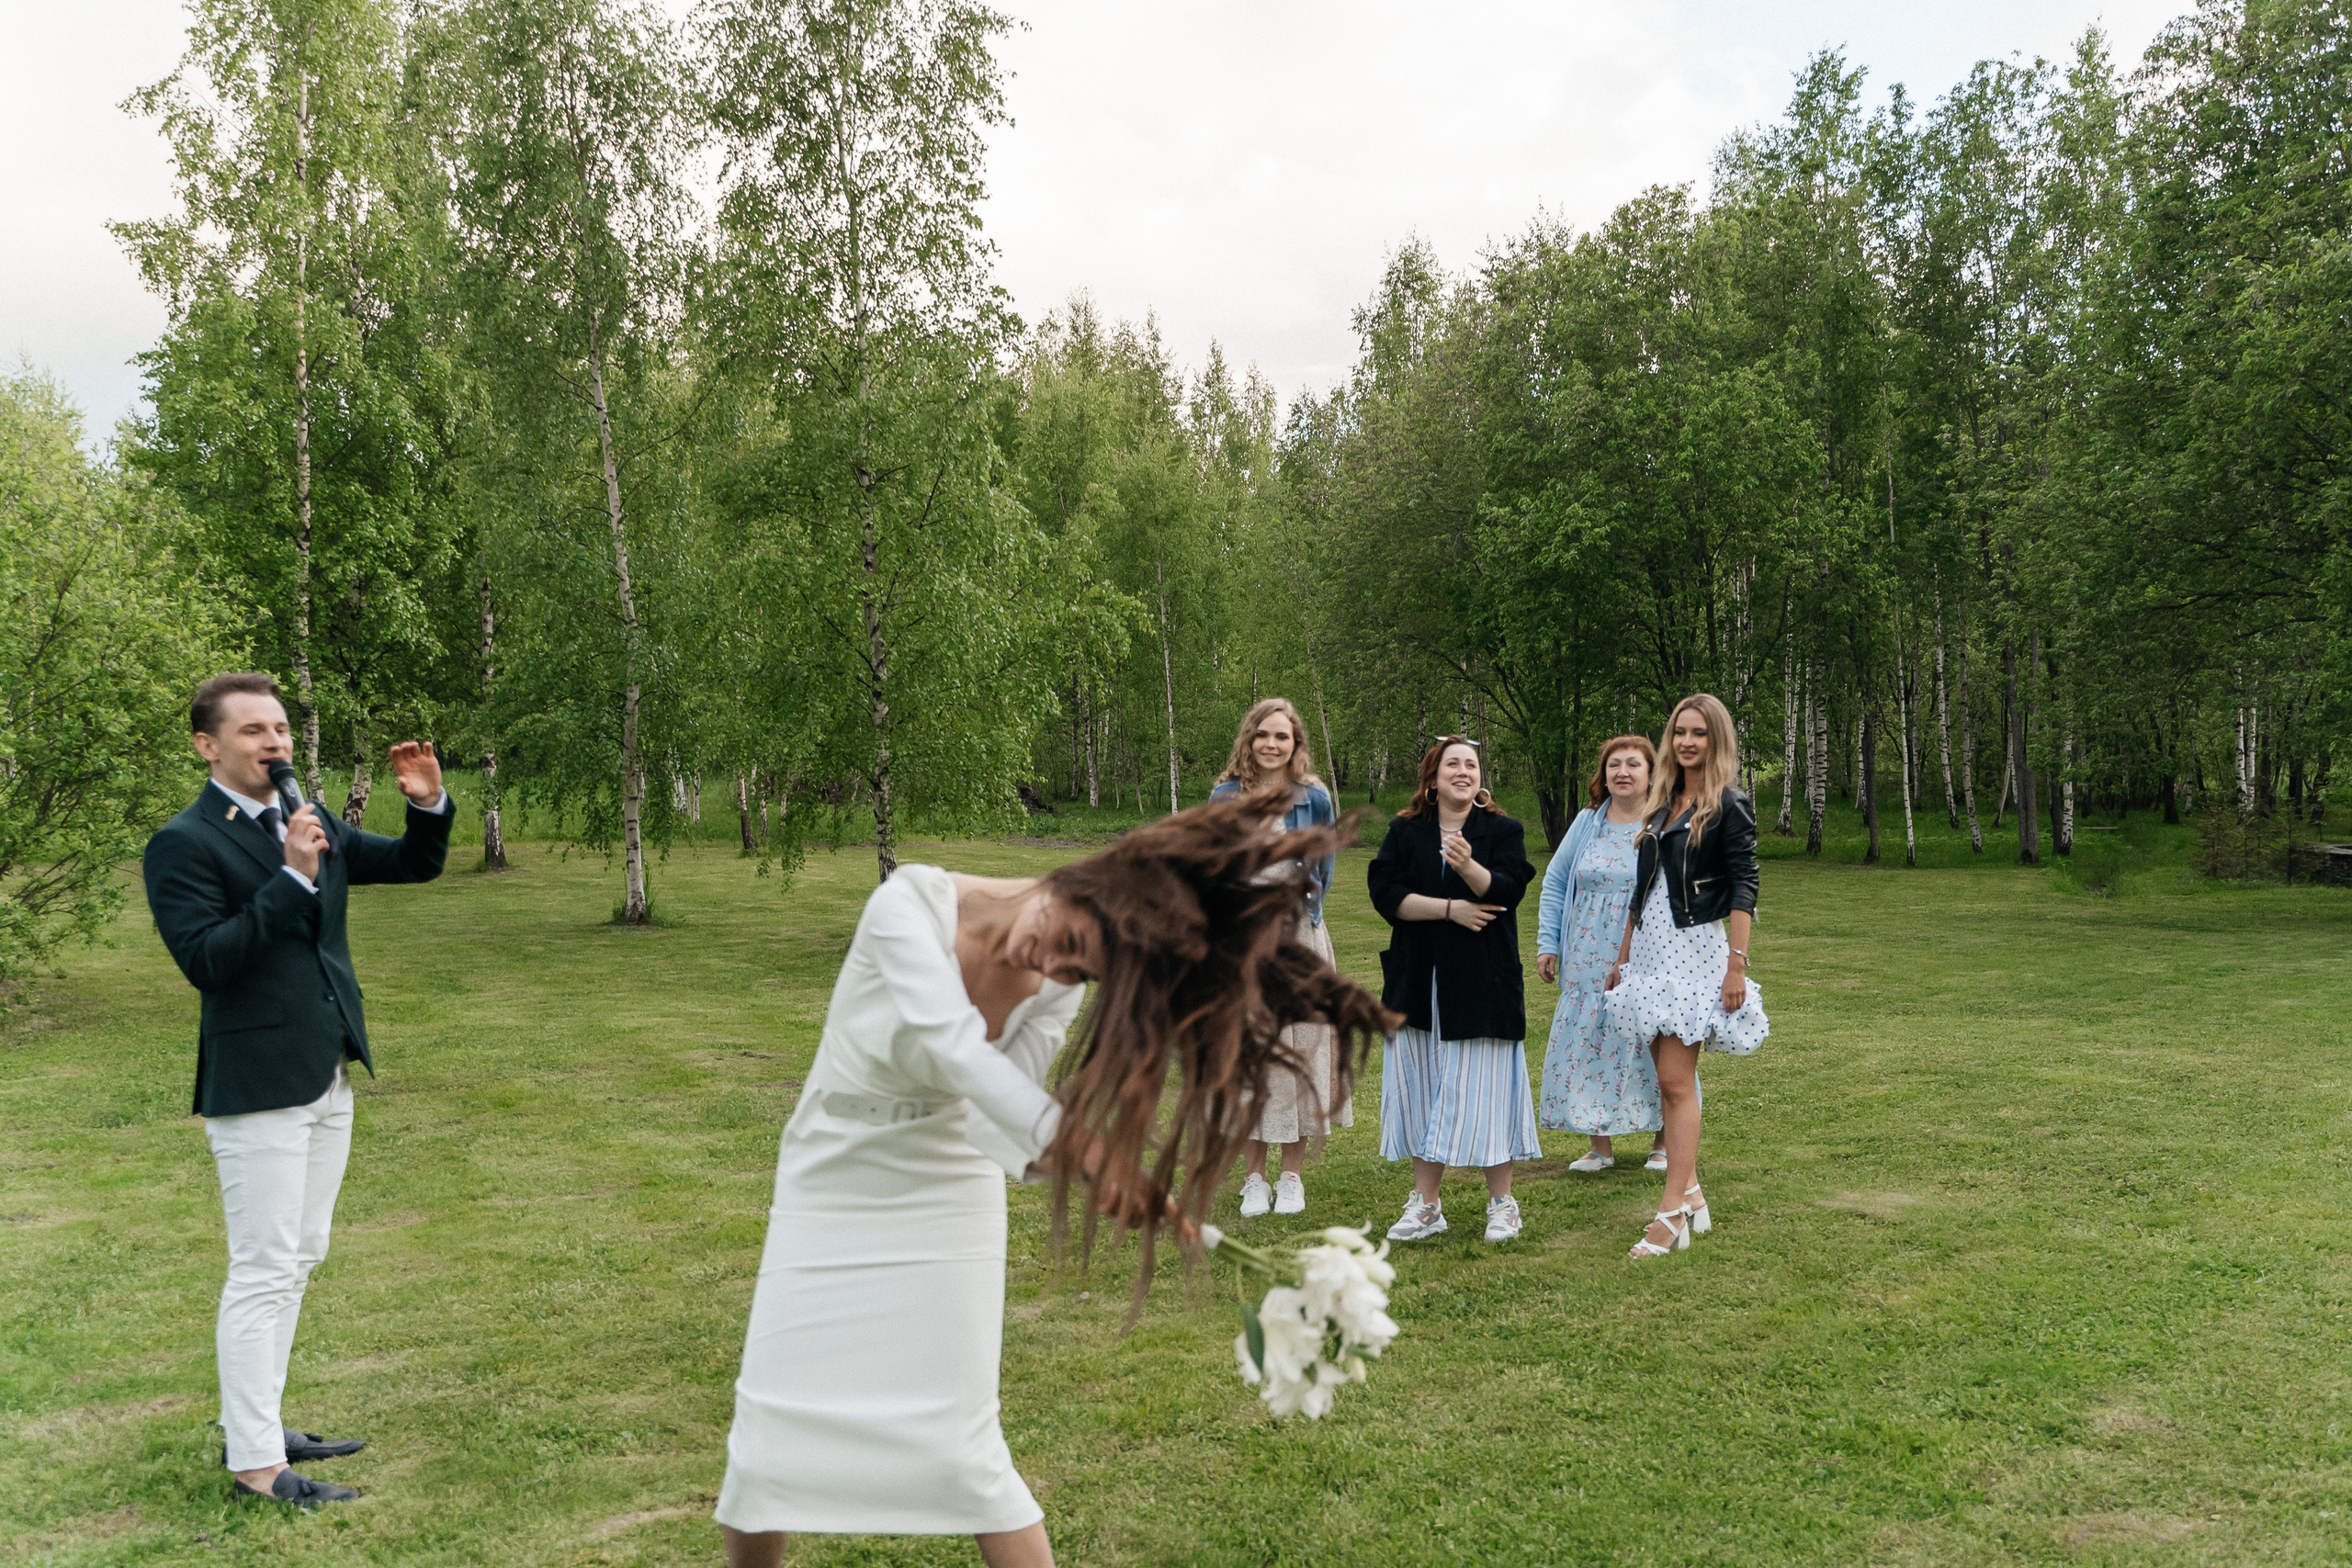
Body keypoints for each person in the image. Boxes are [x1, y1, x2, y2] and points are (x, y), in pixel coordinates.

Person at [716, 797, 1394, 1568]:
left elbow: (995, 1118)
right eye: (1068, 942)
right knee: (765, 1443)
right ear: (1084, 879)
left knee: (964, 1450)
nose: (1053, 965)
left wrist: (1082, 1171)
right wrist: (1093, 1152)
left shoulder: (1056, 983)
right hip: (831, 1171)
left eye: (1079, 969)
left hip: (949, 1191)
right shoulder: (905, 904)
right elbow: (956, 1054)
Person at [141, 672, 454, 1507]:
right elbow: (207, 959)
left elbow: (413, 865)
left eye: (280, 727)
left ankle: (262, 1421)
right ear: (208, 746)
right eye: (252, 731)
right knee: (263, 1268)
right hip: (255, 1086)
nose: (273, 742)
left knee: (299, 1258)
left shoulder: (303, 815)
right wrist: (288, 878)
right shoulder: (184, 842)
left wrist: (426, 805)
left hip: (326, 1071)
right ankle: (254, 1467)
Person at [1604, 693, 1769, 1259]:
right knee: (1667, 1082)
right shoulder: (1662, 802)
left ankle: (1671, 1212)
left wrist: (1736, 965)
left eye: (1698, 732)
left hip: (1694, 949)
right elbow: (1640, 887)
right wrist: (1623, 958)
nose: (1687, 742)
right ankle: (1692, 1193)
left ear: (1715, 739)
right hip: (1649, 950)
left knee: (1676, 1084)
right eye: (1679, 732)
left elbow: (1745, 886)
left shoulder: (1730, 804)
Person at [1367, 737, 1541, 1244]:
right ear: (1433, 778)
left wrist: (1467, 868)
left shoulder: (1502, 830)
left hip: (1483, 985)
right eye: (1452, 765)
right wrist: (1450, 909)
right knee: (1422, 1088)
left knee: (1488, 1091)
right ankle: (1426, 1206)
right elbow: (1386, 894)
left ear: (1480, 778)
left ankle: (1502, 1204)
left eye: (1471, 764)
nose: (1462, 771)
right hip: (1417, 983)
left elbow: (1509, 890)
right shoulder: (1405, 832)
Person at [1209, 697, 1346, 1218]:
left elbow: (1324, 866)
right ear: (1249, 739)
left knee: (1303, 1055)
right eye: (1263, 734)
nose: (1271, 744)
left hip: (1301, 941)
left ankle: (1292, 1178)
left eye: (1282, 736)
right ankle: (1254, 1180)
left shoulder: (1313, 798)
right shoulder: (1225, 797)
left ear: (1295, 744)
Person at [1536, 736, 1670, 1170]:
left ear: (1652, 774)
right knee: (1591, 1039)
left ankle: (1665, 1142)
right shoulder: (1587, 822)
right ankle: (1600, 1145)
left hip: (1647, 948)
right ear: (1603, 774)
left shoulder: (1664, 824)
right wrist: (1547, 943)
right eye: (1614, 765)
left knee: (1656, 1038)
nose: (1623, 772)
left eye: (1634, 764)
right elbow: (1556, 881)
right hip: (1586, 952)